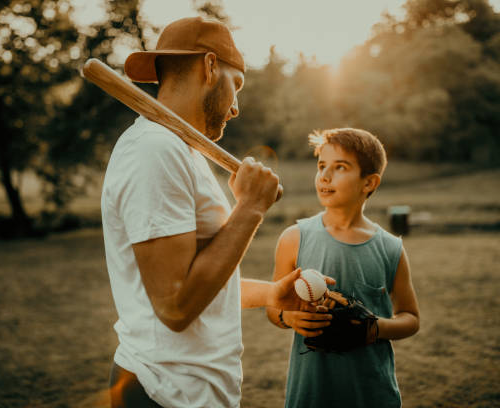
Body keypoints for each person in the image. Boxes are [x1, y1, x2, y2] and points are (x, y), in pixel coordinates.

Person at [101, 17, 332, 408]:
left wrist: (272, 292)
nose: (237, 107)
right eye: (236, 84)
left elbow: (199, 279)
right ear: (210, 67)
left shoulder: (180, 151)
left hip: (191, 392)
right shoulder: (154, 150)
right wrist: (250, 208)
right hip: (165, 392)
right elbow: (175, 306)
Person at [266, 128, 420, 408]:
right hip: (311, 395)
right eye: (321, 166)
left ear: (369, 183)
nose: (325, 176)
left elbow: (410, 318)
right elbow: (272, 308)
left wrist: (374, 329)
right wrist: (290, 319)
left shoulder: (391, 248)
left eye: (340, 167)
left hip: (372, 395)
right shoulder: (293, 238)